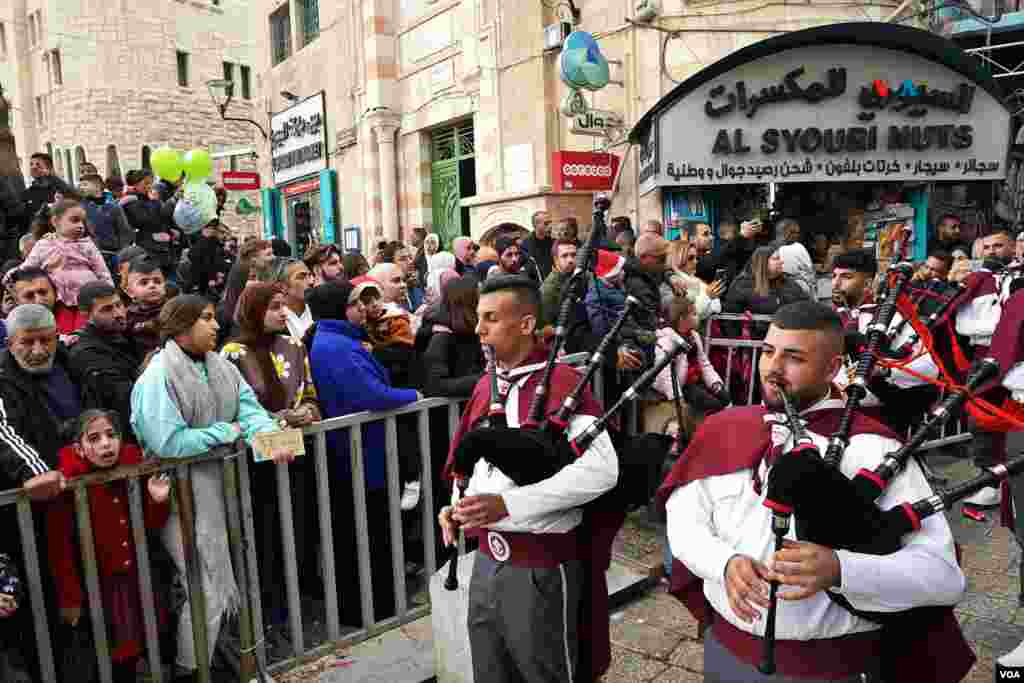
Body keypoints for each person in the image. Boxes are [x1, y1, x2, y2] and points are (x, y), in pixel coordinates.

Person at [658, 301, 972, 683]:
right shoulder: (724, 429)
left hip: (832, 668)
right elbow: (683, 518)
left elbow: (942, 576)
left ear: (833, 368)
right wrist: (722, 563)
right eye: (768, 351)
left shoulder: (873, 448)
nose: (773, 369)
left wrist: (840, 569)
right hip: (726, 651)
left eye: (794, 357)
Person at [438, 275, 619, 683]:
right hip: (485, 559)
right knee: (491, 672)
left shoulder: (563, 382)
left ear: (525, 324)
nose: (479, 329)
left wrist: (509, 505)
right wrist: (454, 505)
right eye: (478, 318)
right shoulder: (487, 383)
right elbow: (470, 459)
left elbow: (602, 470)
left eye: (490, 319)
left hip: (540, 564)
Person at [130, 295, 293, 676]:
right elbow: (167, 441)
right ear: (181, 327)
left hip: (223, 489)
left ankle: (222, 664)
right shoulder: (157, 375)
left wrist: (268, 436)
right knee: (205, 586)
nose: (216, 325)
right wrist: (228, 432)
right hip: (177, 497)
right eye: (205, 319)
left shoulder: (221, 367)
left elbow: (249, 409)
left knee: (223, 584)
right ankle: (191, 670)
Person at [305, 281, 421, 626]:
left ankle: (378, 601)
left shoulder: (341, 340)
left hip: (361, 449)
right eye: (355, 303)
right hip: (357, 452)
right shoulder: (336, 346)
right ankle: (371, 607)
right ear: (340, 307)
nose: (362, 309)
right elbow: (369, 393)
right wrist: (412, 396)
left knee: (368, 530)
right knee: (366, 533)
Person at [221, 283, 321, 627]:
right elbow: (231, 410)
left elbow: (309, 393)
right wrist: (276, 419)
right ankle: (267, 605)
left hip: (295, 449)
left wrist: (307, 411)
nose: (282, 312)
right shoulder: (233, 353)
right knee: (264, 528)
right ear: (252, 311)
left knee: (298, 520)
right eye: (273, 307)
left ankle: (298, 598)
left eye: (283, 306)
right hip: (256, 458)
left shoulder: (294, 346)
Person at [46, 409, 171, 683]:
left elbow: (151, 524)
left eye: (111, 435)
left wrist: (157, 500)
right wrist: (70, 598)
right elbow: (60, 547)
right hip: (99, 585)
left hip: (140, 578)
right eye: (95, 438)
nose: (106, 444)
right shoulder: (68, 485)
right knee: (113, 656)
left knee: (150, 640)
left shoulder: (132, 468)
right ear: (79, 448)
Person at [67, 282, 145, 440]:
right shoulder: (86, 352)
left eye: (118, 305)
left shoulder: (125, 335)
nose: (118, 313)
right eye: (107, 309)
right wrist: (147, 371)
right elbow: (121, 399)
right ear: (85, 314)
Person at [13, 199, 113, 310]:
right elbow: (28, 266)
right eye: (75, 220)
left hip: (89, 300)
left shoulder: (87, 245)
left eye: (82, 221)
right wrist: (11, 276)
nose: (81, 225)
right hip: (60, 303)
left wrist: (110, 294)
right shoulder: (44, 245)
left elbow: (102, 272)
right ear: (55, 221)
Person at [724, 245, 809, 326]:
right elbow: (730, 318)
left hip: (784, 336)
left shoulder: (788, 283)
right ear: (762, 263)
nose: (782, 261)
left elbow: (805, 307)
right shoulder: (742, 284)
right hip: (752, 338)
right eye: (776, 259)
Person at [121, 170, 177, 277]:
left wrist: (170, 231)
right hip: (147, 247)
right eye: (146, 183)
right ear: (136, 184)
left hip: (162, 246)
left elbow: (163, 218)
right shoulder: (131, 201)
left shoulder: (150, 199)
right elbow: (146, 220)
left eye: (151, 183)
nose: (149, 186)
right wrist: (155, 202)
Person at [9, 267, 87, 335]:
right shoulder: (9, 329)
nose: (38, 300)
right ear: (17, 301)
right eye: (29, 296)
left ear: (55, 293)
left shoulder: (81, 319)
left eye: (43, 292)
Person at [79, 174, 134, 268]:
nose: (81, 188)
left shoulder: (114, 207)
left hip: (114, 254)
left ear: (97, 186)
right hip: (91, 254)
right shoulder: (81, 208)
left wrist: (122, 251)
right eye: (80, 185)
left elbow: (124, 231)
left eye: (85, 184)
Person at [259, 257, 314, 340]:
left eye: (310, 276)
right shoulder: (273, 318)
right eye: (301, 277)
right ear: (282, 286)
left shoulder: (319, 311)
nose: (311, 282)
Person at [123, 258, 168, 356]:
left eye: (157, 281)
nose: (152, 285)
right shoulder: (127, 316)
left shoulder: (174, 309)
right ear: (130, 292)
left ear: (165, 287)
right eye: (144, 282)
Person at [19, 153, 71, 236]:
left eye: (38, 165)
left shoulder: (59, 189)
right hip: (35, 237)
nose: (33, 167)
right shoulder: (27, 193)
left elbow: (73, 195)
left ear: (49, 168)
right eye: (31, 164)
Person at [539, 239, 578, 326]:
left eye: (573, 255)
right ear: (555, 259)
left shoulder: (580, 276)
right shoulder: (549, 289)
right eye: (564, 256)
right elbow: (544, 326)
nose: (570, 260)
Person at [775, 218, 816, 296]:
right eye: (792, 232)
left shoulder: (798, 247)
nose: (796, 235)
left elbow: (810, 271)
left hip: (803, 290)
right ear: (781, 232)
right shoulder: (772, 249)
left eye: (797, 233)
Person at [521, 210, 554, 280]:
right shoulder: (525, 245)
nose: (550, 226)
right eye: (546, 223)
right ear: (536, 225)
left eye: (550, 223)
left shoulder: (554, 243)